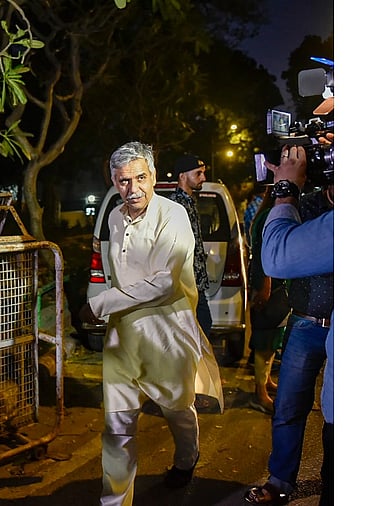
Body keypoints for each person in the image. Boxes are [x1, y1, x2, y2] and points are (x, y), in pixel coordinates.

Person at [78, 141, 224, 506]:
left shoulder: (173, 215)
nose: (133, 189)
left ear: (154, 176)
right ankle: (115, 501)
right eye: (123, 181)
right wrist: (112, 307)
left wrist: (100, 304)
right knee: (117, 425)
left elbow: (164, 282)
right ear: (113, 180)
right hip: (124, 333)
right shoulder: (113, 216)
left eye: (140, 178)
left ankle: (187, 457)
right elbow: (117, 274)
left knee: (177, 408)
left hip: (166, 332)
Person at [243, 140, 335, 506]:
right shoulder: (307, 205)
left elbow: (279, 254)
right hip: (306, 322)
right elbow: (266, 238)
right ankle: (280, 480)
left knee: (334, 419)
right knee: (288, 408)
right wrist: (284, 194)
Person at [246, 184, 287, 414]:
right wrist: (265, 287)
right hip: (267, 286)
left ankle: (266, 381)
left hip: (273, 286)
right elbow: (264, 256)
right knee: (264, 340)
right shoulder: (266, 218)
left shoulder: (267, 214)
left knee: (272, 339)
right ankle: (259, 393)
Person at [168, 154, 213, 341]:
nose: (203, 178)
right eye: (198, 173)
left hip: (195, 280)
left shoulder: (190, 201)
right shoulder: (175, 204)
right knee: (199, 325)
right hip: (185, 281)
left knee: (200, 327)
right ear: (182, 176)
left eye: (203, 173)